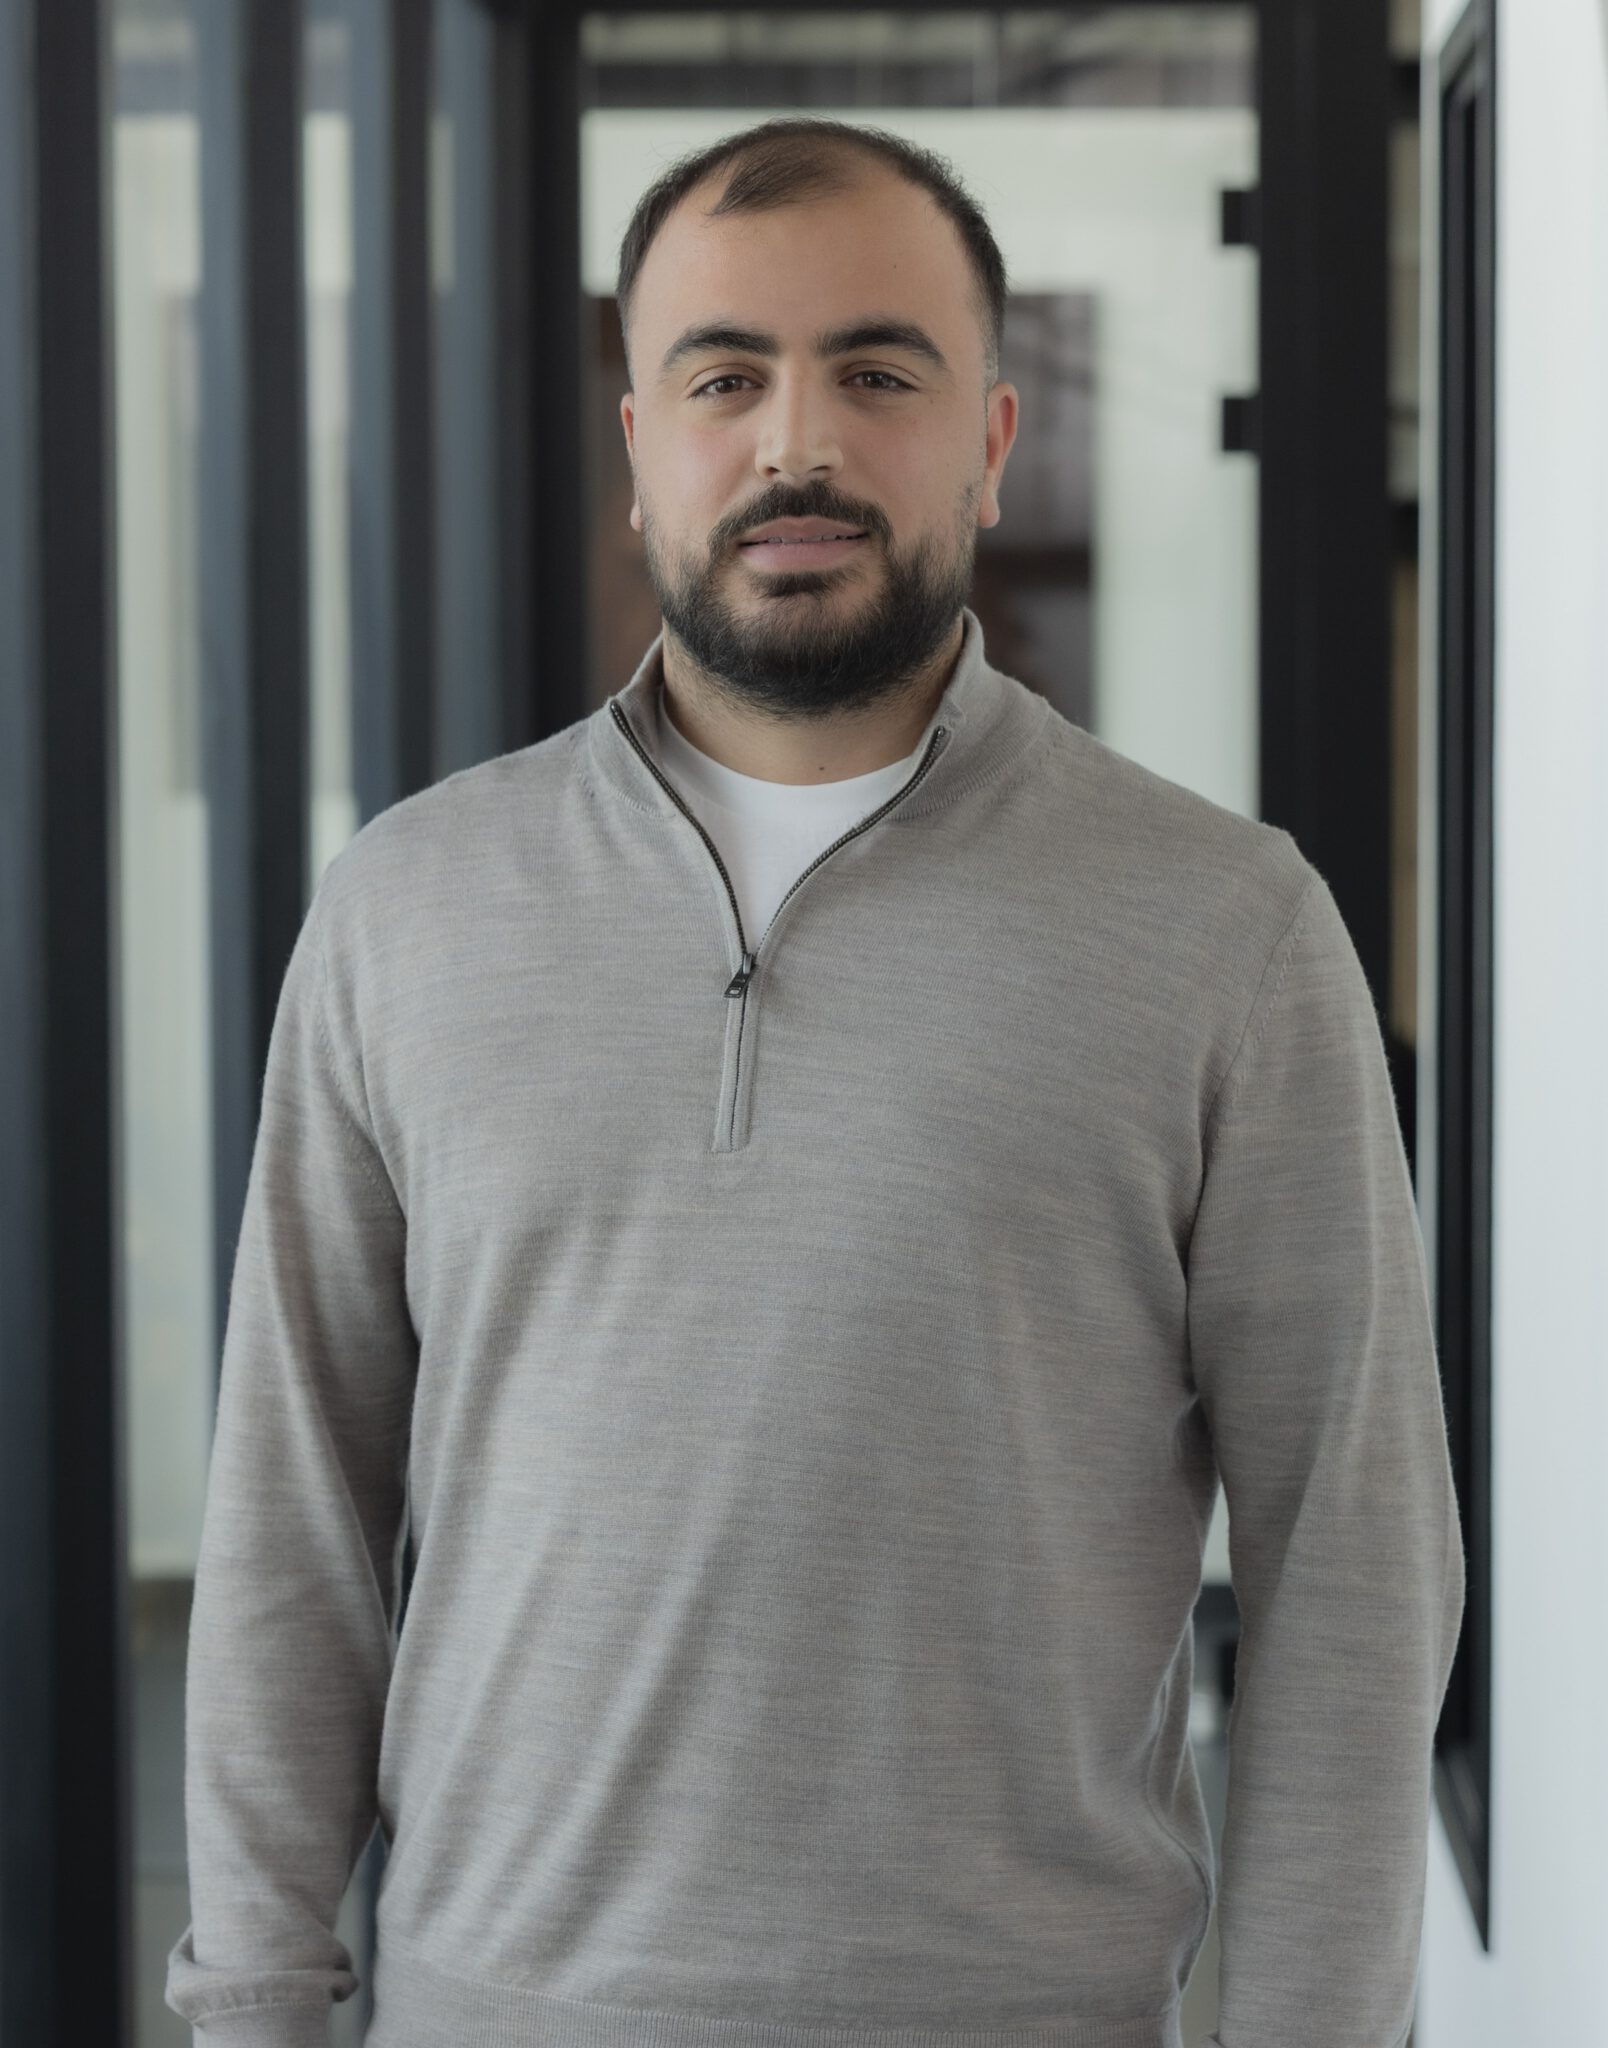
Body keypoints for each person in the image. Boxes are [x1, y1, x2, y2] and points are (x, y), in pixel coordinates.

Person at [167, 116, 1465, 2048]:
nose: (798, 442)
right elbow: (298, 1521)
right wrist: (260, 2009)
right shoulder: (407, 909)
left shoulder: (1228, 928)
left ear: (993, 440)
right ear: (638, 449)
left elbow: (1353, 1561)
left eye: (877, 372)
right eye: (725, 378)